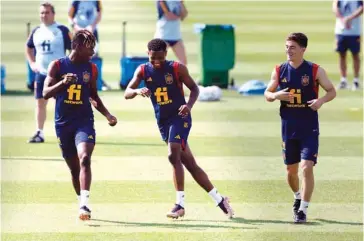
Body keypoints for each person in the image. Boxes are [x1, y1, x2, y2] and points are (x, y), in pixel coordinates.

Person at [124, 38, 234, 219]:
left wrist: (188, 106)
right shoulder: (143, 70)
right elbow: (127, 92)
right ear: (148, 55)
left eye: (160, 58)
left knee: (172, 153)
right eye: (153, 59)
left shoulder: (177, 68)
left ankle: (179, 204)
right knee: (190, 164)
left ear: (166, 54)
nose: (156, 62)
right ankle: (220, 199)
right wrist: (136, 91)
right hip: (163, 121)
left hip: (180, 117)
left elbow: (194, 89)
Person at [42, 30, 117, 220]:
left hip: (84, 121)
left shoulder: (91, 69)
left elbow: (93, 96)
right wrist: (62, 83)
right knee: (74, 169)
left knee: (85, 158)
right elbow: (45, 93)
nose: (93, 51)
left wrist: (108, 115)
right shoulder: (57, 66)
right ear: (77, 46)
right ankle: (80, 199)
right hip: (63, 124)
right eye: (90, 47)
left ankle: (85, 205)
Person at [264, 33, 336, 223]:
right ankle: (297, 196)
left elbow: (332, 90)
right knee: (291, 171)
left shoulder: (315, 70)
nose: (288, 50)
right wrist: (276, 95)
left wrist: (320, 101)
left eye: (293, 47)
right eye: (287, 46)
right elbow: (267, 93)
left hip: (309, 128)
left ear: (303, 49)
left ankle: (303, 210)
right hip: (288, 129)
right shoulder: (279, 70)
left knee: (306, 167)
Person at [26, 2, 72, 143]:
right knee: (40, 103)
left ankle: (68, 132)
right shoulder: (36, 31)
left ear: (53, 14)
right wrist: (32, 63)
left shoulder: (62, 30)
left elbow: (73, 49)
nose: (44, 15)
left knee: (64, 104)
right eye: (41, 13)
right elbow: (28, 47)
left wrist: (70, 66)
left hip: (59, 74)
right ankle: (39, 132)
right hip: (42, 73)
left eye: (46, 12)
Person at [68, 0, 111, 91]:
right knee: (76, 56)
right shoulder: (75, 1)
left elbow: (99, 14)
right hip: (78, 33)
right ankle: (75, 80)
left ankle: (95, 81)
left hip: (92, 32)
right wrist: (77, 27)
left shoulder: (96, 1)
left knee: (93, 56)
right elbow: (70, 16)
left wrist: (92, 26)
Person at [333, 0, 363, 90]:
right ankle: (343, 80)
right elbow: (335, 7)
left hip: (355, 31)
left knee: (355, 55)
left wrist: (349, 18)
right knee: (341, 55)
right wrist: (343, 19)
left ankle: (356, 81)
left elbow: (362, 8)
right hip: (341, 31)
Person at [154, 0, 188, 65]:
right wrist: (179, 15)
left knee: (183, 63)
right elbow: (169, 16)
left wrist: (181, 3)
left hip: (176, 36)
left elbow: (184, 15)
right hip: (163, 36)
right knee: (158, 62)